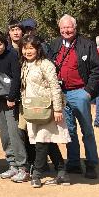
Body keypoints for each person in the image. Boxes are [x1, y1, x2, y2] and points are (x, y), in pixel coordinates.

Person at [47, 15, 99, 179]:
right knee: (69, 129)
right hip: (62, 93)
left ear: (75, 28)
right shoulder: (55, 44)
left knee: (87, 129)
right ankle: (73, 162)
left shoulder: (87, 44)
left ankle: (91, 163)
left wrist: (88, 91)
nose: (66, 30)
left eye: (69, 27)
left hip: (80, 92)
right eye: (63, 28)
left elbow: (97, 70)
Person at [20, 35, 71, 187]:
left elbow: (55, 87)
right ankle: (62, 172)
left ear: (37, 49)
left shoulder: (46, 64)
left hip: (46, 109)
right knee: (47, 141)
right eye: (25, 48)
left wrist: (57, 109)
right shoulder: (24, 64)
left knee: (41, 141)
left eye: (31, 48)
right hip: (31, 108)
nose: (27, 51)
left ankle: (37, 174)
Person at [0, 31, 28, 182]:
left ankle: (22, 166)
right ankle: (12, 164)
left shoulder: (12, 55)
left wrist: (12, 97)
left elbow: (17, 77)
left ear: (5, 43)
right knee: (4, 134)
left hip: (10, 101)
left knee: (14, 133)